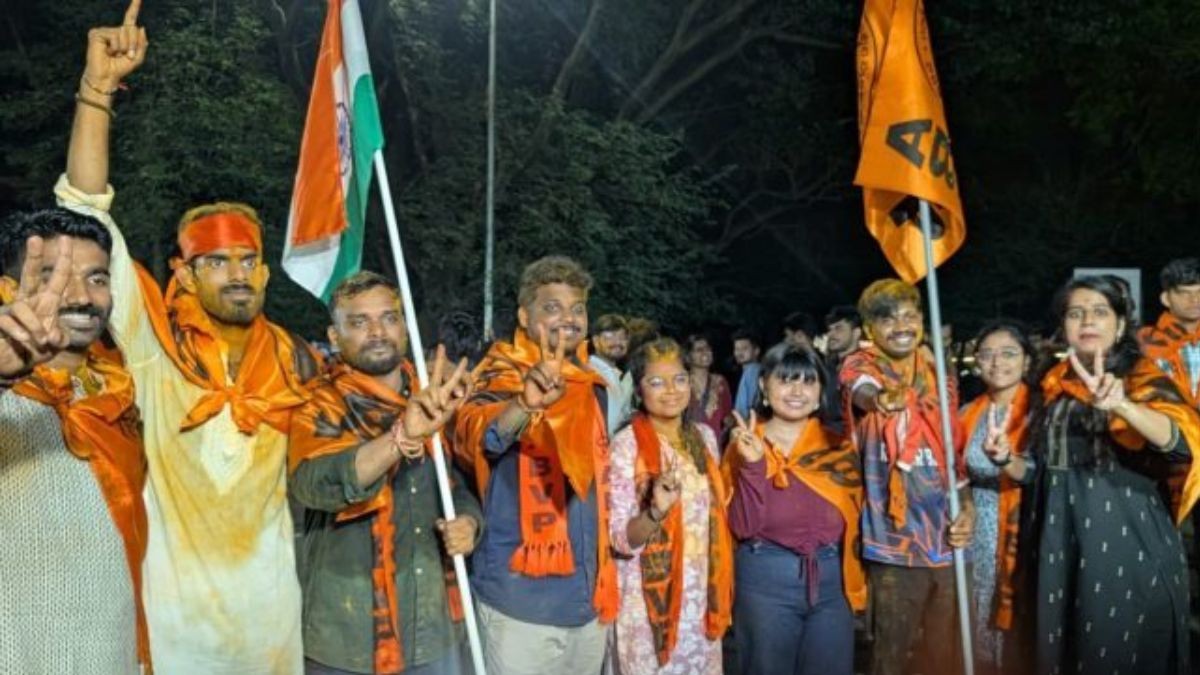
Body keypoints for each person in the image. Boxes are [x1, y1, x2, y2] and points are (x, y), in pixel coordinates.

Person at [56, 9, 319, 671]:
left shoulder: (294, 360)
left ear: (265, 272)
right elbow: (85, 214)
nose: (237, 273)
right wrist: (96, 92)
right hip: (179, 642)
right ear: (185, 272)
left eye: (247, 260)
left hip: (273, 637)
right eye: (216, 261)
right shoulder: (154, 345)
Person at [289, 272, 481, 675]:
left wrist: (468, 522)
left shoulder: (432, 395)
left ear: (404, 327)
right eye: (360, 322)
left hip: (434, 629)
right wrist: (400, 438)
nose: (378, 332)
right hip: (349, 639)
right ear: (335, 336)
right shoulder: (318, 404)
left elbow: (455, 485)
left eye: (389, 318)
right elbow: (313, 484)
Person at [1027, 275, 1200, 675]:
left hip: (1125, 541)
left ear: (1121, 325)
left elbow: (1180, 445)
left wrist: (1123, 406)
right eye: (1075, 313)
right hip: (1061, 542)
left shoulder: (1140, 377)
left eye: (1100, 312)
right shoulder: (1052, 383)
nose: (1087, 320)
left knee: (1115, 650)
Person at [0, 211, 149, 673]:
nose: (83, 297)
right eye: (55, 278)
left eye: (97, 278)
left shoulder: (115, 397)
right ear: (9, 289)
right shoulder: (8, 399)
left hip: (109, 651)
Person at [454, 256, 618, 675]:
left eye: (578, 308)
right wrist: (525, 405)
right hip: (520, 603)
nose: (569, 318)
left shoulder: (591, 386)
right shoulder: (501, 374)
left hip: (588, 599)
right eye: (552, 307)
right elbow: (481, 434)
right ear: (524, 316)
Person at [839, 278, 974, 675]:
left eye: (909, 316)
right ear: (869, 329)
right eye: (887, 319)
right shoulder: (861, 364)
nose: (901, 326)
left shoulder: (938, 370)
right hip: (894, 545)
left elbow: (953, 451)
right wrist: (881, 399)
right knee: (891, 658)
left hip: (949, 542)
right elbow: (861, 390)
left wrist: (967, 508)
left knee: (944, 656)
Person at [725, 343, 865, 675]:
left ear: (820, 393)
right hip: (765, 583)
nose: (797, 391)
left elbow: (858, 522)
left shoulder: (838, 448)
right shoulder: (744, 443)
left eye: (808, 381)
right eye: (786, 380)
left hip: (831, 585)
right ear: (764, 386)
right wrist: (753, 466)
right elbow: (742, 527)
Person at [607, 337, 733, 674]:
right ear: (639, 390)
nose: (671, 390)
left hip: (701, 593)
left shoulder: (705, 438)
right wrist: (655, 512)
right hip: (648, 600)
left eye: (679, 379)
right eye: (656, 382)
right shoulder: (626, 446)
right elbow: (621, 539)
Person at [958, 321, 1037, 674]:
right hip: (977, 535)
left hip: (1023, 532)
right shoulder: (966, 413)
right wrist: (966, 505)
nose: (997, 362)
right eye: (987, 354)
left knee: (1018, 630)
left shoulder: (1041, 412)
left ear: (1027, 361)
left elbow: (1036, 473)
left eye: (1008, 354)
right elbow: (957, 473)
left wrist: (1006, 459)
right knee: (978, 624)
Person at [590, 313, 634, 436]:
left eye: (623, 337)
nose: (618, 343)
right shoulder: (589, 374)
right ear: (595, 341)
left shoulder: (621, 376)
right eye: (610, 337)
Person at [685, 334, 732, 442]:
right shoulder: (682, 382)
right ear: (688, 356)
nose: (705, 352)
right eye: (699, 349)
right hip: (688, 444)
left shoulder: (720, 382)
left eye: (708, 348)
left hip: (715, 445)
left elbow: (727, 416)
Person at [731, 327, 762, 419]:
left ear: (756, 351)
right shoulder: (749, 371)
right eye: (737, 349)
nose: (739, 353)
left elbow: (752, 405)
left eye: (744, 348)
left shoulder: (753, 370)